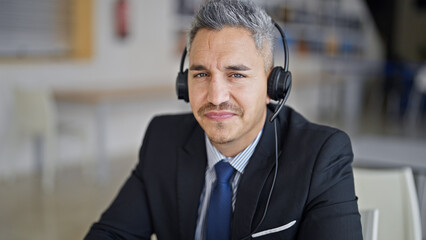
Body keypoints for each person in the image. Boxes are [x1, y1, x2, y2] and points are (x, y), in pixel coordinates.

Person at [85, 0, 363, 239]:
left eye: (237, 75)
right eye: (201, 74)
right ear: (184, 85)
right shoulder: (162, 139)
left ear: (273, 87)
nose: (216, 97)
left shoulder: (321, 155)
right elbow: (111, 234)